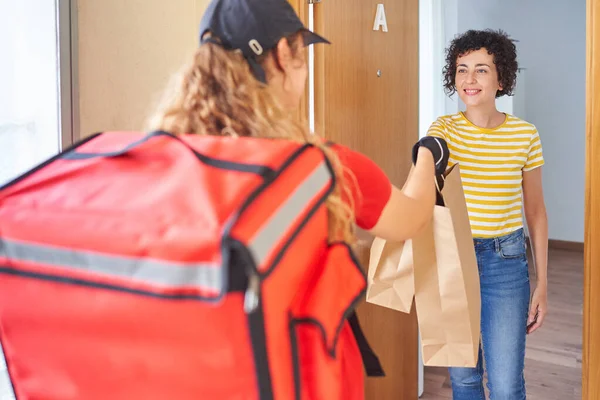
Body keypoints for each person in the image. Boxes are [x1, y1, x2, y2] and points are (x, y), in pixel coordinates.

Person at [147, 0, 449, 248]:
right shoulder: (324, 168)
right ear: (282, 54)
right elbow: (412, 219)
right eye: (302, 54)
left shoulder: (158, 162)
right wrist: (427, 152)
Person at [427, 29, 548, 399]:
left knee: (507, 385)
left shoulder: (525, 135)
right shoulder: (442, 130)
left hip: (505, 261)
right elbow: (425, 189)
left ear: (501, 78)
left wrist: (542, 282)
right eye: (462, 69)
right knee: (463, 379)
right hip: (454, 260)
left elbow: (537, 212)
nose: (469, 79)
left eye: (481, 69)